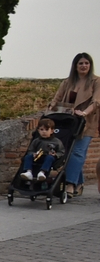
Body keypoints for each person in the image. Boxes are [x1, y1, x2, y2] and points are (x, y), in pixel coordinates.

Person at [47, 53, 97, 197]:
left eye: (86, 63)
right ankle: (79, 183)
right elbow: (57, 98)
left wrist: (85, 112)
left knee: (78, 152)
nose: (84, 66)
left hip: (86, 121)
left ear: (90, 65)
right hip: (68, 121)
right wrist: (51, 108)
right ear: (75, 66)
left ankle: (70, 184)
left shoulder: (96, 81)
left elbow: (96, 101)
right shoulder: (68, 82)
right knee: (68, 152)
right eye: (81, 63)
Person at [18, 119, 66, 184]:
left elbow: (62, 151)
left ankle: (42, 172)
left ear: (52, 131)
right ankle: (28, 172)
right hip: (37, 157)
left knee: (50, 157)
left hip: (48, 158)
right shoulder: (36, 140)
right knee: (27, 157)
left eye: (46, 130)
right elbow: (30, 150)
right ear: (38, 130)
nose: (44, 132)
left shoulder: (56, 141)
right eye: (41, 129)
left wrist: (55, 154)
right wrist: (33, 154)